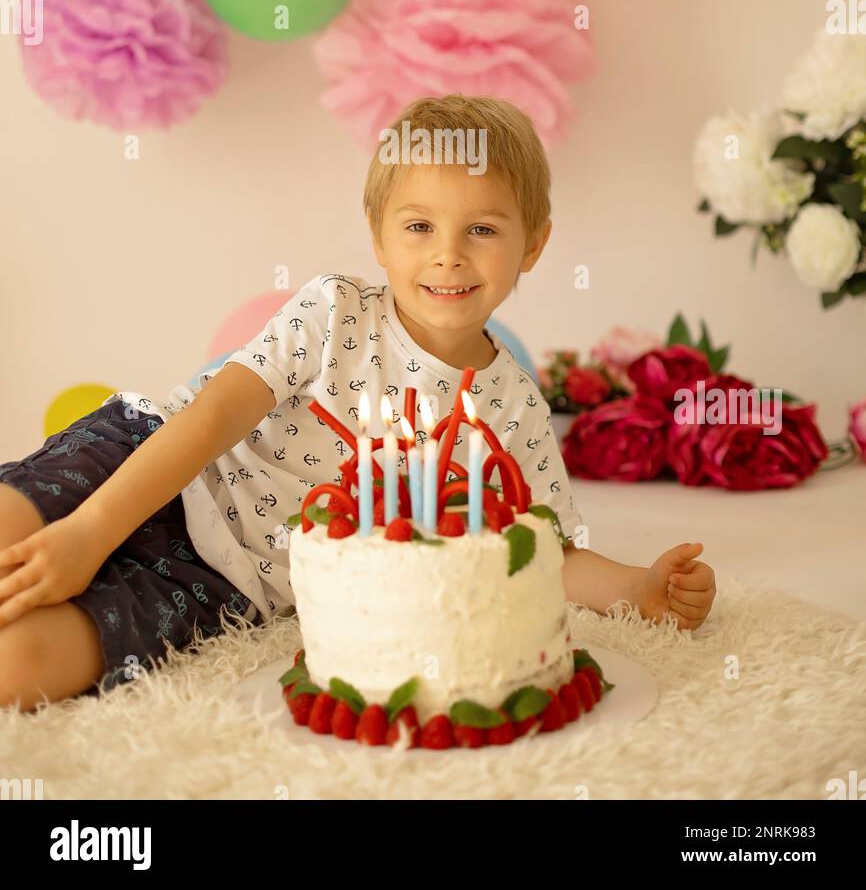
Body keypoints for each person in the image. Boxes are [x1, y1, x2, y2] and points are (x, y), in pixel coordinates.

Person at [0, 93, 716, 711]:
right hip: (149, 460)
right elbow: (213, 416)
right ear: (378, 235)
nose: (448, 255)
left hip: (227, 581)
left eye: (483, 230)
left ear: (534, 245)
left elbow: (542, 548)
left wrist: (640, 586)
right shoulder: (334, 312)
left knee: (18, 666)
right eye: (419, 227)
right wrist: (89, 533)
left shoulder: (513, 409)